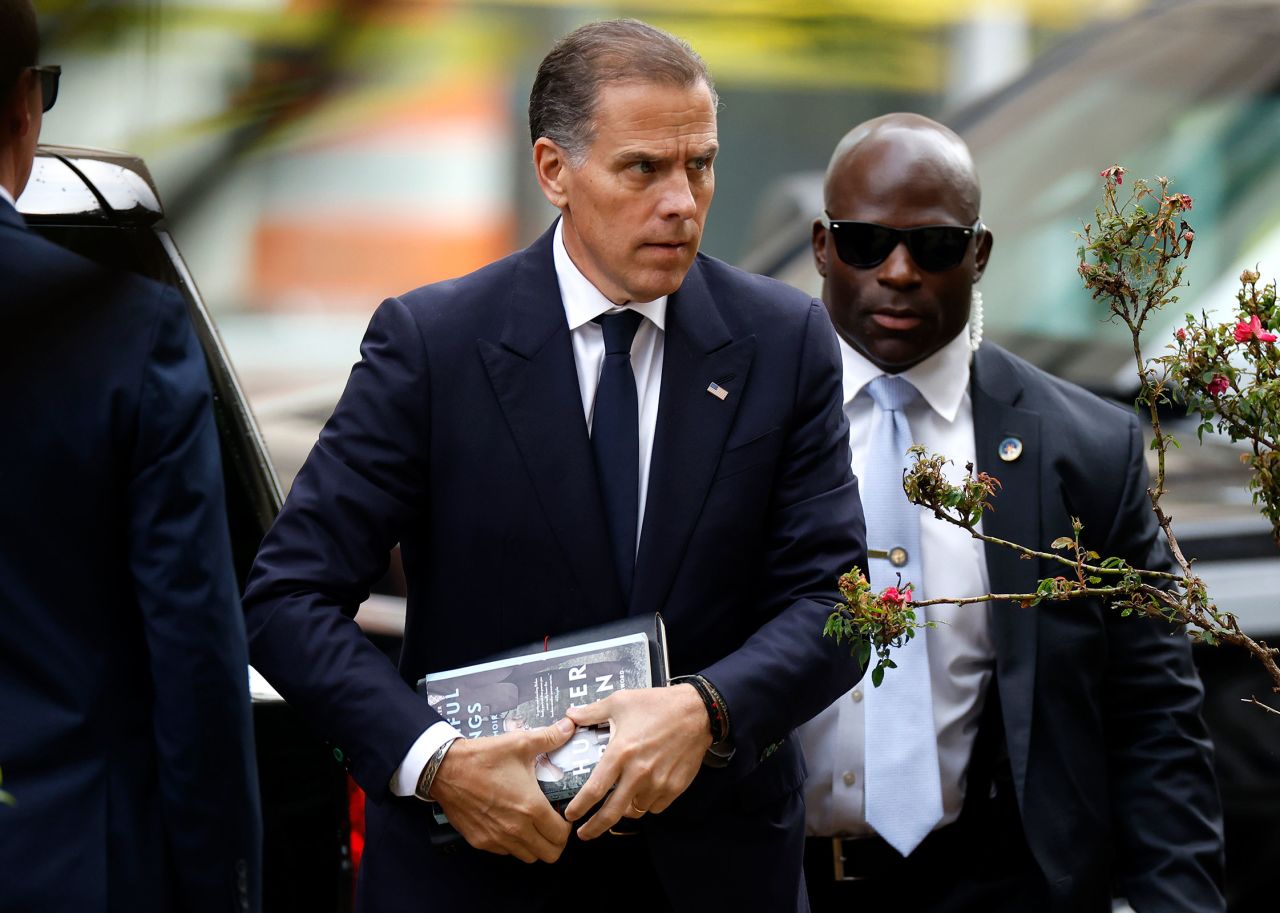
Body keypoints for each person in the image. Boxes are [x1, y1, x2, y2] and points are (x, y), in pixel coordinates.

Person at [242, 18, 865, 913]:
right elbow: (286, 599)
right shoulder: (435, 345)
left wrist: (707, 708)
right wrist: (438, 763)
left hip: (713, 871)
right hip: (483, 869)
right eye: (644, 168)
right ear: (553, 170)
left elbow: (837, 600)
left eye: (701, 164)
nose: (683, 202)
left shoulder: (783, 338)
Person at [797, 112, 1225, 912]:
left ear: (980, 253)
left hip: (992, 884)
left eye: (934, 247)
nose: (897, 272)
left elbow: (1155, 715)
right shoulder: (747, 421)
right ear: (823, 245)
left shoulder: (1086, 448)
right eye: (864, 242)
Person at [0, 2, 262, 911]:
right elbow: (191, 650)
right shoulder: (123, 333)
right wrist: (223, 886)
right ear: (24, 106)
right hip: (63, 860)